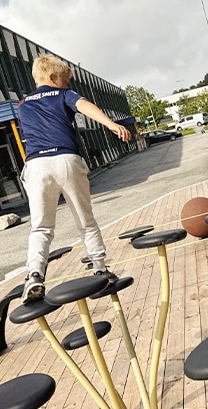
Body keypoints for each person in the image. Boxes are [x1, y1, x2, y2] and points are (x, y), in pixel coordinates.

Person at [17, 54, 132, 302]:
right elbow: (84, 105)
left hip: (36, 165)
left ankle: (35, 275)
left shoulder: (23, 104)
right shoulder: (61, 95)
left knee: (41, 227)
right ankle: (101, 269)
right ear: (52, 77)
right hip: (65, 159)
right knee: (85, 221)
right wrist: (110, 124)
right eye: (66, 81)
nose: (68, 86)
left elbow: (27, 135)